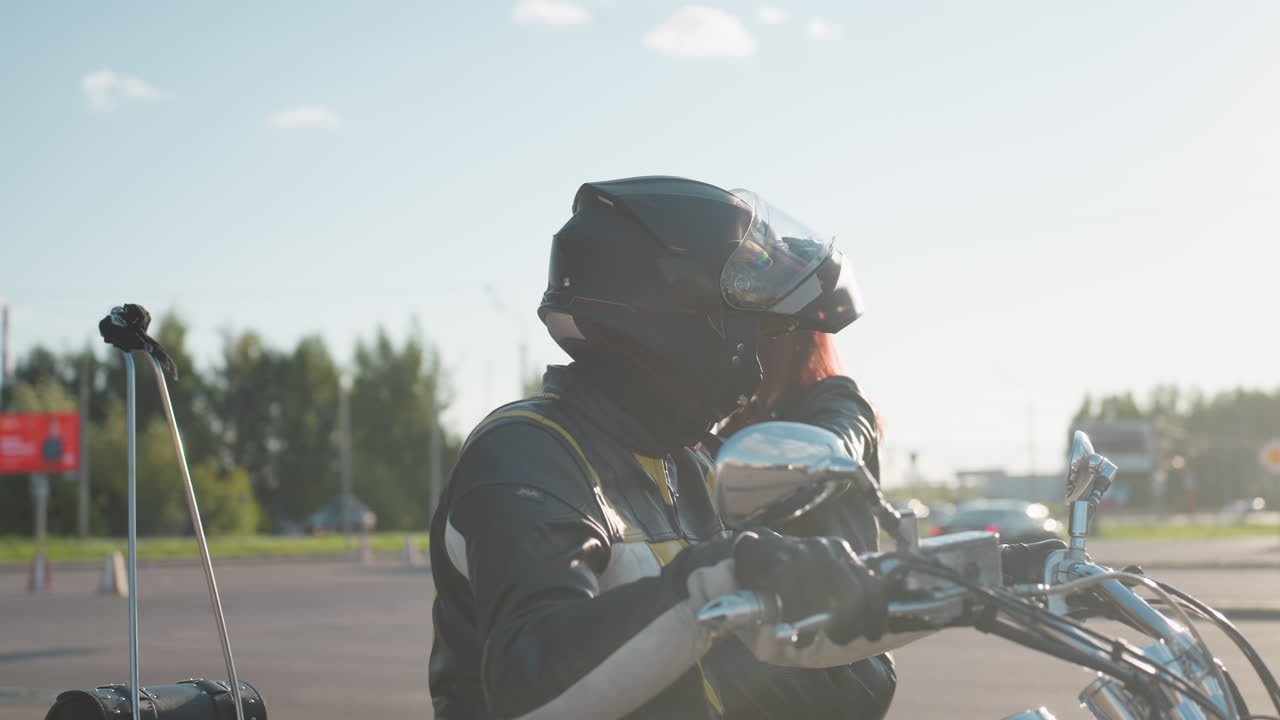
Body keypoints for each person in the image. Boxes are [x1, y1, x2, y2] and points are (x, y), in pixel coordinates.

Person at [428, 176, 890, 719]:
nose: (763, 359)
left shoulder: (695, 460)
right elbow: (531, 684)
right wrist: (726, 573)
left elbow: (850, 691)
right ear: (681, 320)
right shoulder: (528, 453)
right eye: (754, 329)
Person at [707, 330, 899, 719]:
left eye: (749, 330)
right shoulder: (733, 423)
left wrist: (809, 460)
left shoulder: (838, 401)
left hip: (832, 646)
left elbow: (838, 442)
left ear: (786, 337)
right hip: (760, 639)